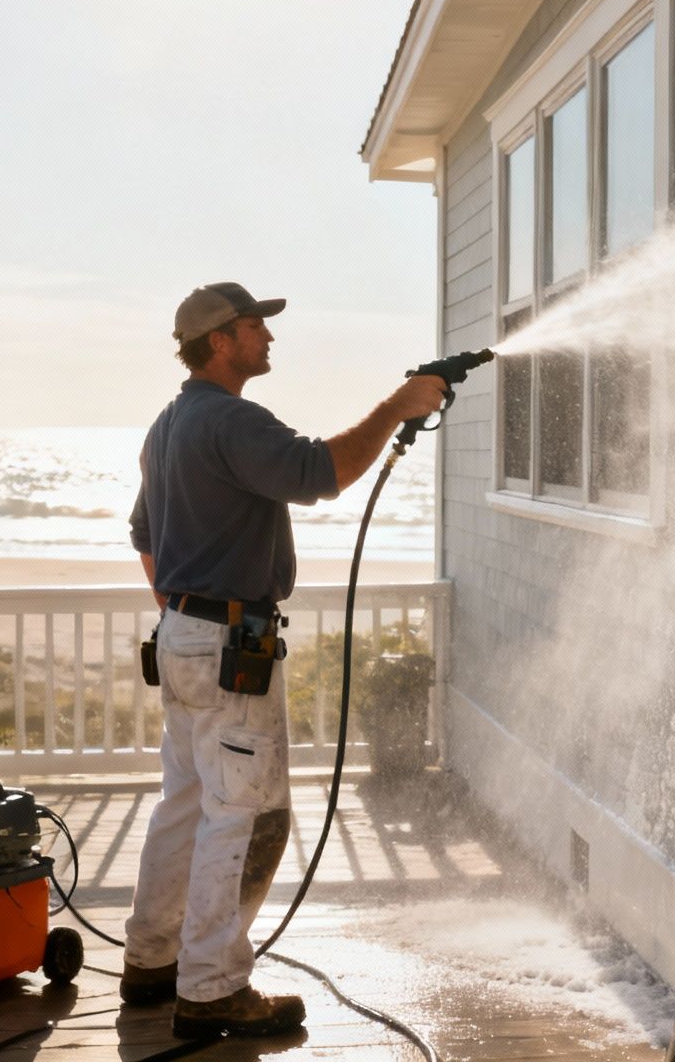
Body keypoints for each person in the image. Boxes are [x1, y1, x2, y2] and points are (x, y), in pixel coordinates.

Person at [121, 281, 445, 1039]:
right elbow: (318, 473)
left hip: (183, 638)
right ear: (219, 341)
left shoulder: (168, 425)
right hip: (228, 648)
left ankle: (151, 961)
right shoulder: (230, 419)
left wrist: (184, 615)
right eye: (254, 327)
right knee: (247, 814)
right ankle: (211, 989)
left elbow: (143, 535)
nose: (268, 338)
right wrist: (397, 407)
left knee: (185, 803)